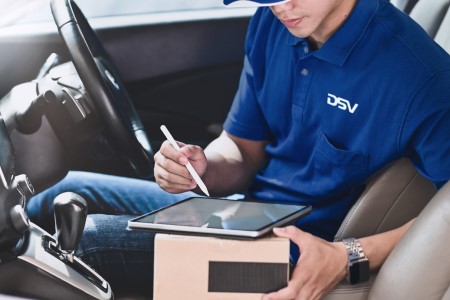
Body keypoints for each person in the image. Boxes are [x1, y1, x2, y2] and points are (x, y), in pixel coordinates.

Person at [27, 0, 450, 298]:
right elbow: (241, 149)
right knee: (55, 192)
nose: (280, 7)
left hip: (297, 250)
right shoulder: (274, 23)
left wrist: (348, 256)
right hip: (247, 212)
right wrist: (203, 167)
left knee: (84, 246)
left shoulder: (421, 77)